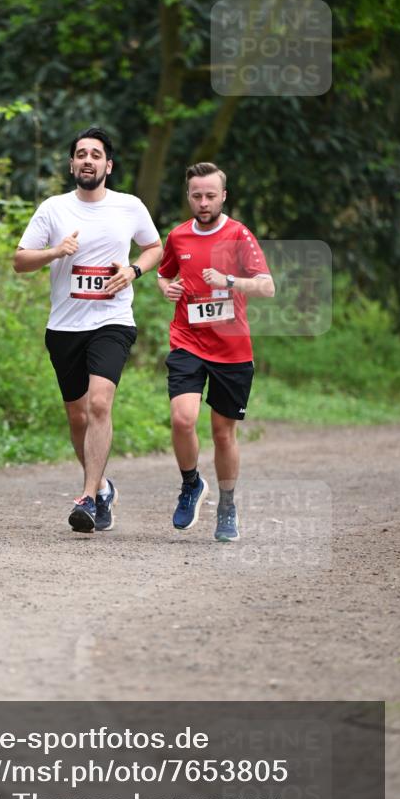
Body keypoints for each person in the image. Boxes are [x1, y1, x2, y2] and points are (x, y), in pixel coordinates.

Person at [14, 127, 162, 533]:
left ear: (108, 166)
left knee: (99, 405)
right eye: (80, 154)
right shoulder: (53, 209)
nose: (87, 160)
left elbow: (155, 247)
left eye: (95, 155)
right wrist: (54, 252)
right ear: (71, 164)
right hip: (64, 326)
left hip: (112, 321)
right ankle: (102, 488)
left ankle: (87, 497)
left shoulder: (129, 206)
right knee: (78, 417)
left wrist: (133, 270)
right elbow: (20, 260)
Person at [157, 162, 275, 542]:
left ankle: (227, 505)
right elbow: (164, 273)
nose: (203, 202)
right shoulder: (177, 236)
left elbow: (267, 286)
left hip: (232, 348)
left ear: (223, 196)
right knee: (182, 419)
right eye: (197, 196)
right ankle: (191, 484)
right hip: (187, 341)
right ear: (188, 196)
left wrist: (229, 280)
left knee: (223, 435)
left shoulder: (239, 235)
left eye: (210, 195)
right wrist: (166, 288)